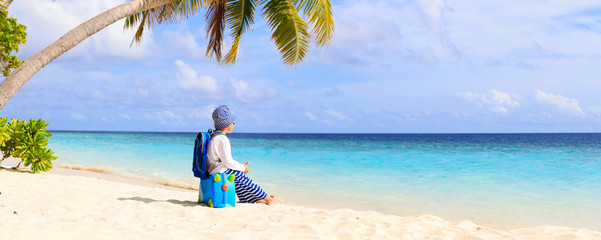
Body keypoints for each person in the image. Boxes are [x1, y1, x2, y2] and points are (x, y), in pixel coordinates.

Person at [206, 105, 282, 205]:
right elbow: (228, 162)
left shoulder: (214, 136)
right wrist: (243, 168)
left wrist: (240, 167)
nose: (234, 125)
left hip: (214, 169)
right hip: (219, 170)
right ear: (228, 124)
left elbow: (225, 161)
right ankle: (269, 199)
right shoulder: (222, 139)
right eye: (234, 122)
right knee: (244, 179)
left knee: (238, 180)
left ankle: (251, 199)